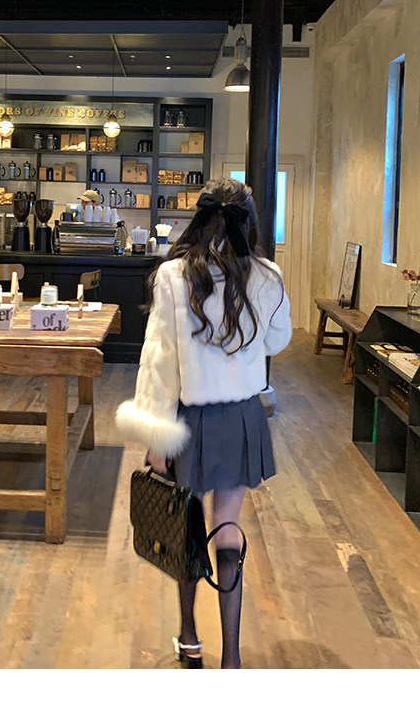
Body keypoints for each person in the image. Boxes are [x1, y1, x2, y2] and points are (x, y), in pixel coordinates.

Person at [115, 177, 292, 669]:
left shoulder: (174, 275)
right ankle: (231, 657)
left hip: (188, 420)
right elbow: (277, 341)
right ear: (248, 221)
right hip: (241, 416)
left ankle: (190, 638)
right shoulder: (268, 275)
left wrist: (156, 436)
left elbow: (159, 362)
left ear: (200, 216)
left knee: (185, 528)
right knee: (226, 528)